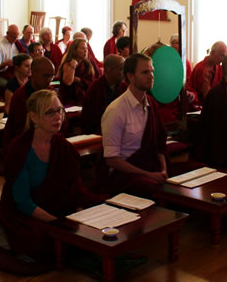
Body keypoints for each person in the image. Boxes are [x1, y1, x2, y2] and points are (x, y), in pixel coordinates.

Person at [0, 89, 104, 260]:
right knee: (40, 240)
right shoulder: (19, 150)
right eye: (49, 112)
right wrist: (58, 223)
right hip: (23, 213)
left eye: (59, 110)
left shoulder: (63, 146)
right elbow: (23, 203)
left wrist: (79, 213)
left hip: (58, 205)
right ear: (34, 117)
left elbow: (74, 188)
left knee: (100, 212)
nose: (58, 116)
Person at [100, 53, 169, 197]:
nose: (151, 76)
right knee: (152, 189)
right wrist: (149, 175)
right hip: (126, 174)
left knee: (193, 172)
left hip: (152, 167)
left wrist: (163, 170)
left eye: (152, 71)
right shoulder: (116, 110)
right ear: (130, 76)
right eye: (145, 72)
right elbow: (112, 160)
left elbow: (159, 145)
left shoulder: (152, 104)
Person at [3, 57, 55, 147]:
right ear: (33, 73)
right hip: (25, 143)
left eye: (52, 76)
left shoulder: (51, 92)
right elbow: (19, 129)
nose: (49, 80)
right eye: (46, 76)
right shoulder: (20, 96)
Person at [81, 54, 127, 135]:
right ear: (109, 69)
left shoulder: (124, 87)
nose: (124, 72)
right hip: (100, 132)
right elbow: (91, 120)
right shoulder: (95, 89)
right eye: (121, 68)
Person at [58, 38, 95, 106]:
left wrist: (80, 81)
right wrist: (73, 66)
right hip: (69, 99)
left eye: (86, 48)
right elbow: (68, 82)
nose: (85, 51)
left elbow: (91, 82)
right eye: (82, 48)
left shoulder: (87, 65)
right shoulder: (67, 64)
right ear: (74, 50)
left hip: (84, 97)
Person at [0, 24, 21, 89]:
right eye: (13, 35)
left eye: (17, 35)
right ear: (8, 33)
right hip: (0, 75)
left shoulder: (16, 44)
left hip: (14, 74)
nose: (16, 38)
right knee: (12, 87)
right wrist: (5, 63)